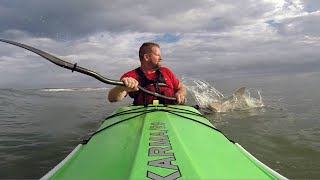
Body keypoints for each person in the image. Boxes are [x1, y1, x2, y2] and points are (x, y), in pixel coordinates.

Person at [108, 42, 187, 106]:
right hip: (143, 117)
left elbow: (181, 88)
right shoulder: (131, 76)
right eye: (157, 55)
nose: (161, 58)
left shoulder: (166, 71)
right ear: (146, 57)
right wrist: (120, 88)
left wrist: (180, 93)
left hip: (171, 113)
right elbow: (112, 99)